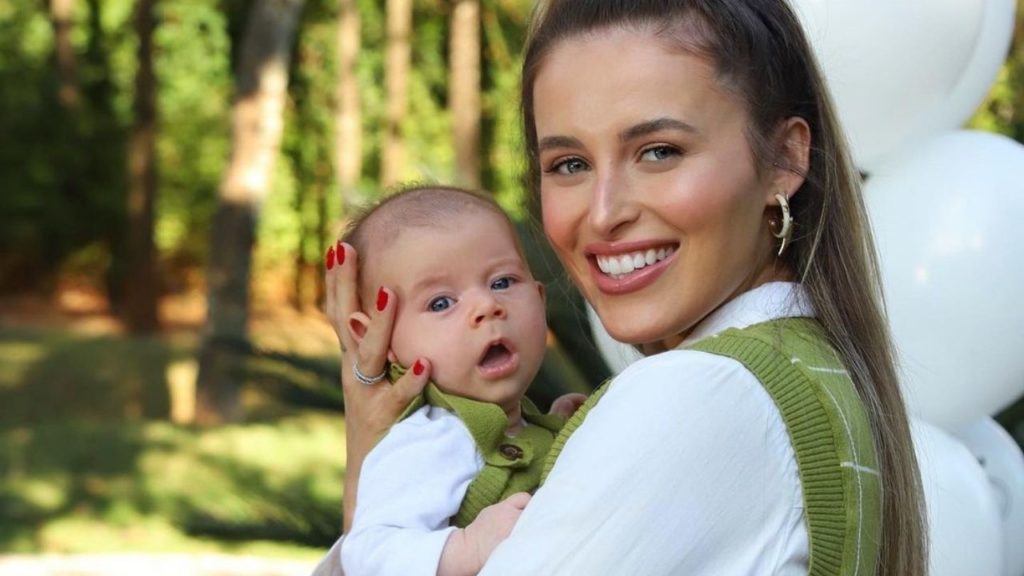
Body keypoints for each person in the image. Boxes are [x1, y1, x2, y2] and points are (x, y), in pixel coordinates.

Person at [316, 0, 928, 574]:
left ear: (785, 160)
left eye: (659, 151)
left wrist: (368, 489)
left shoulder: (695, 395)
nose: (603, 213)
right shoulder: (806, 366)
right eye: (570, 164)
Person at [329, 185, 586, 576]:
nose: (487, 306)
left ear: (539, 297)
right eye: (441, 303)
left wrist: (551, 431)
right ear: (379, 338)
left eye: (502, 282)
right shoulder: (433, 440)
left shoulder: (500, 426)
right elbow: (368, 550)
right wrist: (467, 545)